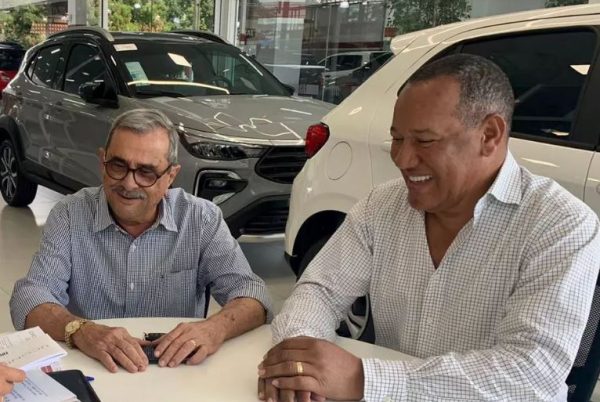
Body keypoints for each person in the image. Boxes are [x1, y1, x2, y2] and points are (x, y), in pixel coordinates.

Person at [257, 54, 600, 401]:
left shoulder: (560, 225)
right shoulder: (381, 206)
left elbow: (531, 373)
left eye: (424, 141)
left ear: (489, 135)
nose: (403, 159)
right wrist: (298, 362)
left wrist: (364, 378)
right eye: (397, 139)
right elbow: (320, 291)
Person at [10, 108, 272, 374]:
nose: (129, 183)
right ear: (102, 162)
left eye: (146, 172)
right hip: (95, 367)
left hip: (174, 372)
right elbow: (30, 297)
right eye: (118, 166)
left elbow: (253, 295)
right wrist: (80, 330)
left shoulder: (200, 219)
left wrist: (214, 329)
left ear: (170, 176)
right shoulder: (70, 214)